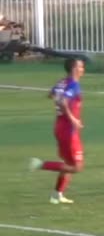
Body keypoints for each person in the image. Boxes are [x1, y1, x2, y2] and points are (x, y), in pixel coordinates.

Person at [28, 57, 86, 204]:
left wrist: (60, 102)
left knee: (68, 163)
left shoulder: (62, 82)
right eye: (80, 67)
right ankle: (41, 164)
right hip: (69, 130)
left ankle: (57, 194)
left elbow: (51, 94)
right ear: (74, 68)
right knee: (77, 167)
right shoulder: (73, 85)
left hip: (60, 126)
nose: (82, 69)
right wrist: (73, 119)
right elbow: (63, 101)